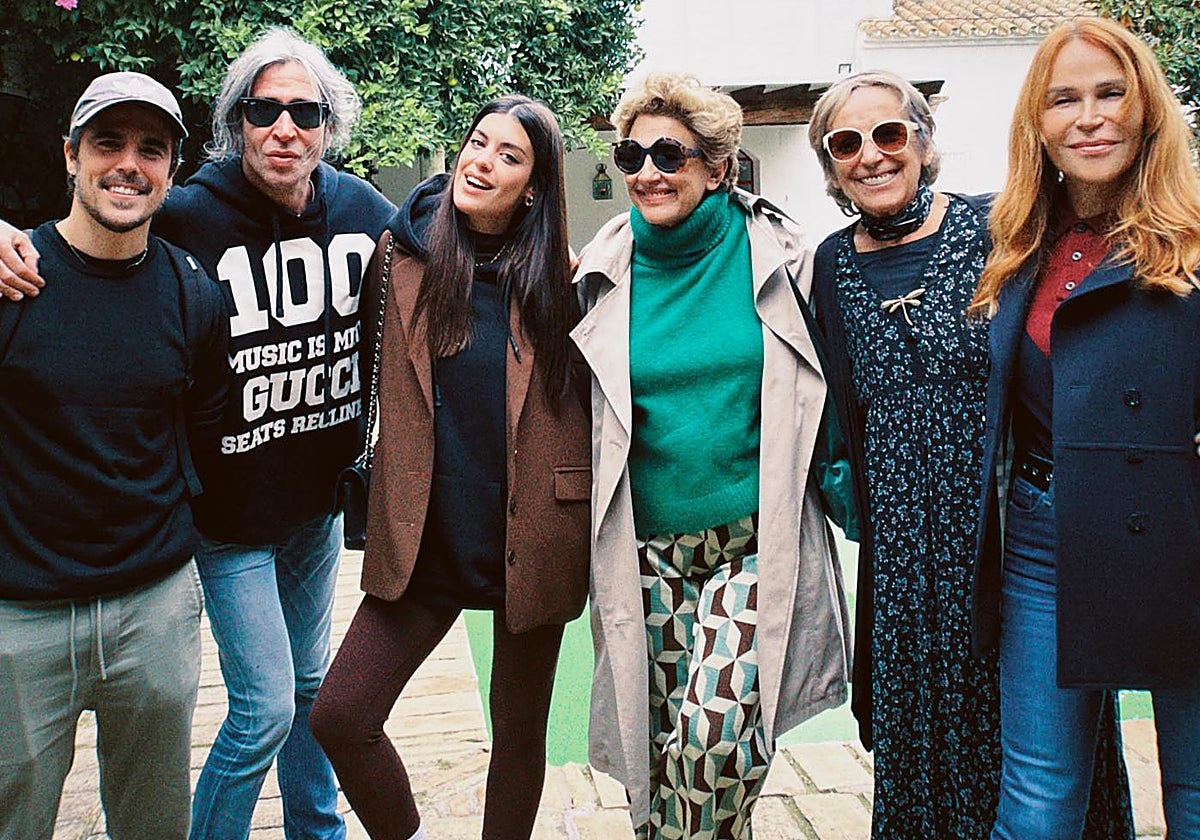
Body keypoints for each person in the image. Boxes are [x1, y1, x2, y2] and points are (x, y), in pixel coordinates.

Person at [0, 27, 395, 839]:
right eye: (263, 109)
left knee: (310, 689)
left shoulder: (362, 209)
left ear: (329, 126)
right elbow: (86, 237)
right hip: (225, 516)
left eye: (305, 112)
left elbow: (446, 247)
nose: (284, 128)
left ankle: (315, 829)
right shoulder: (183, 213)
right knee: (263, 708)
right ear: (235, 121)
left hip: (315, 509)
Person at [806, 70, 1134, 839]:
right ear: (831, 166)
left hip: (1006, 538)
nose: (871, 155)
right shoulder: (830, 264)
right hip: (902, 563)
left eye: (889, 133)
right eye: (846, 143)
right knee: (919, 736)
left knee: (1037, 741)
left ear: (923, 142)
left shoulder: (997, 228)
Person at [572, 72, 851, 840]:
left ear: (718, 167)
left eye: (670, 154)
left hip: (756, 542)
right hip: (647, 551)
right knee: (660, 751)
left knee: (714, 737)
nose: (648, 173)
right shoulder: (600, 270)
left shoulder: (781, 255)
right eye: (632, 156)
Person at [309, 95, 590, 840]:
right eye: (478, 142)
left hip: (533, 532)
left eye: (508, 155)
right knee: (342, 717)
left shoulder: (565, 283)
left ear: (533, 188)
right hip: (426, 533)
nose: (482, 162)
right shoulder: (400, 254)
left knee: (519, 737)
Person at [970, 17, 1200, 840]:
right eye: (1064, 99)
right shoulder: (1015, 239)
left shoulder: (1195, 233)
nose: (1090, 118)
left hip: (1186, 534)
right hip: (1046, 538)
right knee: (1036, 809)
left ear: (1147, 111)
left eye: (1111, 94)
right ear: (1038, 123)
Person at [0, 73, 227, 838]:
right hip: (20, 618)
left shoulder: (191, 293)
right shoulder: (12, 276)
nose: (129, 163)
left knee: (154, 825)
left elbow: (204, 427)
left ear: (171, 171)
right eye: (108, 143)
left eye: (151, 149)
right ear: (70, 155)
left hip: (153, 609)